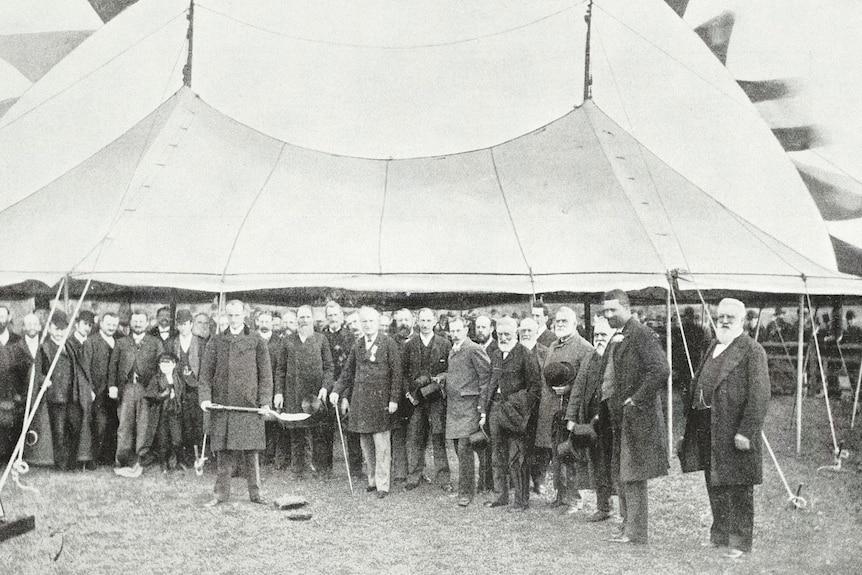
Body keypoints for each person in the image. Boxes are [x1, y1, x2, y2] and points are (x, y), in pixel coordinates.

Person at [678, 298, 770, 559]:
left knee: (739, 486)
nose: (725, 321)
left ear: (742, 321)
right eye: (721, 317)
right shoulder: (713, 346)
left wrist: (746, 432)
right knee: (714, 482)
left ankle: (739, 542)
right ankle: (719, 534)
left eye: (731, 317)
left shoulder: (753, 351)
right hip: (708, 426)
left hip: (734, 429)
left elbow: (760, 396)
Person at [602, 289, 669, 544]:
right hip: (622, 416)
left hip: (637, 416)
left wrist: (636, 398)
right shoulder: (620, 335)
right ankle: (627, 524)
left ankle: (635, 531)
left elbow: (661, 370)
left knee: (634, 473)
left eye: (613, 310)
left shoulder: (641, 333)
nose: (608, 315)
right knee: (623, 471)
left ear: (626, 308)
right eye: (605, 311)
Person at [199, 300, 273, 506]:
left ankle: (256, 493)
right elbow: (205, 375)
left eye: (237, 315)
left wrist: (265, 402)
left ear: (244, 316)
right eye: (230, 315)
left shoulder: (256, 340)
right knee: (223, 452)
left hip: (249, 406)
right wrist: (205, 399)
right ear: (226, 316)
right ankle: (220, 494)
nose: (233, 319)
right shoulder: (216, 341)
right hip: (223, 406)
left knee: (251, 452)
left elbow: (266, 376)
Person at [330, 306, 402, 499]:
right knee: (366, 444)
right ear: (360, 324)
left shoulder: (388, 343)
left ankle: (383, 484)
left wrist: (394, 399)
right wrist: (336, 390)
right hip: (361, 401)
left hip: (381, 402)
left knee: (382, 445)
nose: (368, 325)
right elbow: (347, 372)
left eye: (371, 321)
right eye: (364, 322)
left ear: (377, 323)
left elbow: (397, 374)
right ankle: (372, 479)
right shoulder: (358, 345)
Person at [534, 306, 594, 509]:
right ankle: (560, 495)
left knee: (570, 453)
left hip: (571, 409)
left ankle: (573, 498)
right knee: (556, 453)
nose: (559, 325)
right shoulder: (552, 346)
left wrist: (569, 388)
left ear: (574, 324)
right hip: (552, 408)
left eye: (564, 321)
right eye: (557, 321)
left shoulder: (585, 348)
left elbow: (587, 380)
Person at [480, 317, 541, 512]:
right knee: (497, 455)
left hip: (515, 413)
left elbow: (535, 388)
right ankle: (501, 496)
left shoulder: (525, 354)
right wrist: (485, 409)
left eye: (508, 334)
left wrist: (520, 409)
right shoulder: (496, 354)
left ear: (516, 334)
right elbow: (491, 383)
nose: (504, 337)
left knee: (517, 457)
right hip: (495, 410)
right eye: (500, 334)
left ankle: (521, 500)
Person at [274, 305, 334, 478]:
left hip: (314, 395)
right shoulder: (287, 341)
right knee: (296, 432)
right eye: (301, 317)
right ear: (297, 320)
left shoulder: (321, 339)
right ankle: (298, 468)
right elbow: (280, 370)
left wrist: (325, 387)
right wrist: (279, 392)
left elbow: (329, 367)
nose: (304, 321)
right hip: (293, 393)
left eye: (307, 317)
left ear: (313, 320)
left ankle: (316, 467)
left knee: (316, 432)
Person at [566, 317, 616, 522]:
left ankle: (621, 509)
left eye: (604, 335)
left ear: (611, 335)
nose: (599, 339)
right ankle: (603, 506)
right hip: (592, 423)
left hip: (611, 420)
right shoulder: (589, 358)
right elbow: (577, 389)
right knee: (597, 463)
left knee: (614, 464)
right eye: (596, 335)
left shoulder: (615, 356)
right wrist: (571, 417)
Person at [443, 316, 490, 507]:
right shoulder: (453, 350)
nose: (454, 334)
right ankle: (477, 485)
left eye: (458, 330)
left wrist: (482, 407)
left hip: (470, 407)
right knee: (458, 449)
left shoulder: (473, 348)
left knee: (465, 450)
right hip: (454, 408)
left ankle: (466, 492)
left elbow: (486, 378)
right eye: (452, 331)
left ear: (466, 330)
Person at [402, 308, 451, 491]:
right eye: (422, 320)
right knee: (415, 436)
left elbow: (449, 371)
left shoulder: (444, 344)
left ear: (435, 322)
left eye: (428, 320)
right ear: (417, 321)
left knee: (438, 437)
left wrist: (438, 382)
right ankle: (414, 475)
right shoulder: (410, 344)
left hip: (436, 398)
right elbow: (403, 372)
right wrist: (409, 393)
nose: (424, 324)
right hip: (416, 400)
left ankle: (443, 477)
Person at [109, 309, 162, 475]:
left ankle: (141, 460)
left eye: (141, 321)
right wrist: (113, 386)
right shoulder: (122, 342)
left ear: (147, 323)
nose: (138, 324)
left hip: (146, 389)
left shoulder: (155, 343)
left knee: (144, 426)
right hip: (126, 389)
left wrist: (155, 388)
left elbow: (161, 367)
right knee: (124, 425)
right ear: (130, 323)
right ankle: (122, 460)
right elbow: (113, 366)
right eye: (135, 321)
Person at [40, 311, 92, 471]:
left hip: (73, 395)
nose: (59, 332)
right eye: (56, 328)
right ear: (49, 328)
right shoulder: (45, 347)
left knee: (74, 429)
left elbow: (80, 369)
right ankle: (61, 465)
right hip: (56, 396)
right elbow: (37, 371)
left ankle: (72, 464)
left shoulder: (69, 345)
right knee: (59, 432)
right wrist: (44, 380)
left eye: (62, 329)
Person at [322, 301, 363, 482]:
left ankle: (355, 469)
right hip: (327, 388)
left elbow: (351, 369)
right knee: (325, 429)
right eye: (329, 315)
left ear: (341, 316)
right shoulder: (322, 337)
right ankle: (325, 468)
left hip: (346, 388)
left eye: (335, 315)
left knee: (351, 430)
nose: (332, 319)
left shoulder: (350, 337)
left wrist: (346, 395)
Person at [82, 311, 119, 465]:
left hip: (115, 391)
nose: (111, 327)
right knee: (99, 425)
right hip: (98, 391)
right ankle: (94, 458)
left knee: (114, 424)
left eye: (114, 325)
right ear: (101, 324)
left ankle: (109, 457)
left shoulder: (120, 341)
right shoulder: (90, 342)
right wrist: (89, 388)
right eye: (108, 324)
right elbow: (85, 367)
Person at [172, 309, 207, 466]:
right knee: (183, 424)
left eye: (185, 324)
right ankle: (185, 457)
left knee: (197, 423)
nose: (183, 327)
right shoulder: (173, 343)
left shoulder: (200, 343)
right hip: (180, 389)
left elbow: (206, 368)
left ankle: (199, 455)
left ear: (191, 324)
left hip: (196, 389)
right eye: (180, 324)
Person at [257, 310, 288, 468]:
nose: (264, 324)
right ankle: (260, 456)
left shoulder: (279, 342)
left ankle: (274, 456)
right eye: (261, 321)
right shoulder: (253, 339)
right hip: (256, 387)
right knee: (258, 421)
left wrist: (278, 391)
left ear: (272, 323)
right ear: (257, 322)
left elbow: (281, 368)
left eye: (267, 321)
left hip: (274, 385)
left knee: (274, 422)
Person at [389, 308, 415, 486]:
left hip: (417, 394)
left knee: (416, 434)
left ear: (412, 321)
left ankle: (416, 470)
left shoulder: (420, 339)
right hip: (397, 394)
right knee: (398, 433)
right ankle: (399, 472)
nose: (403, 323)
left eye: (406, 319)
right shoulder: (391, 342)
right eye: (400, 320)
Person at [67, 311, 96, 469]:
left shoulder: (90, 343)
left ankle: (85, 458)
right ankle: (73, 460)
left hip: (87, 390)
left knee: (87, 424)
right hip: (74, 390)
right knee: (75, 424)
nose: (87, 328)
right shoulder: (68, 343)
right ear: (77, 324)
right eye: (85, 324)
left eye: (90, 325)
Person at [153, 352, 185, 472]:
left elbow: (183, 394)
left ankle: (177, 462)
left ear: (174, 365)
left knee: (177, 439)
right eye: (162, 364)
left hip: (175, 412)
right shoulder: (156, 379)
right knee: (163, 439)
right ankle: (164, 463)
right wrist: (162, 395)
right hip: (162, 413)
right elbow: (151, 395)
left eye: (168, 364)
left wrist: (176, 398)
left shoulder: (178, 379)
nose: (165, 367)